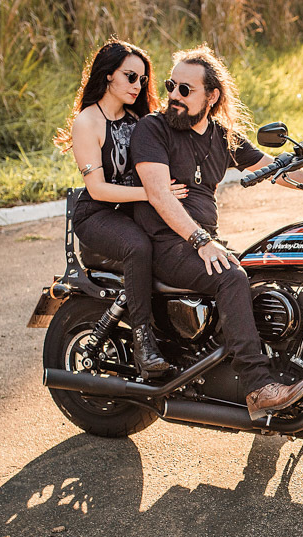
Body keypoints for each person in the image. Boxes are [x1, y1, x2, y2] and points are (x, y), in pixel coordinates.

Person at [131, 45, 303, 421]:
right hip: (166, 242)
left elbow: (278, 170)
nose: (172, 95)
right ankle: (258, 388)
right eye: (172, 85)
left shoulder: (222, 136)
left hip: (196, 240)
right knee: (232, 277)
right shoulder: (153, 129)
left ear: (211, 96)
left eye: (184, 90)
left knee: (265, 272)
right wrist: (201, 241)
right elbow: (159, 196)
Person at [55, 39, 190, 380]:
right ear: (108, 75)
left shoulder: (139, 118)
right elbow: (97, 188)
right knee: (138, 246)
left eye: (143, 79)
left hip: (134, 210)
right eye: (130, 77)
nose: (137, 85)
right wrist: (153, 193)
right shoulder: (88, 122)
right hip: (98, 215)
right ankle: (144, 344)